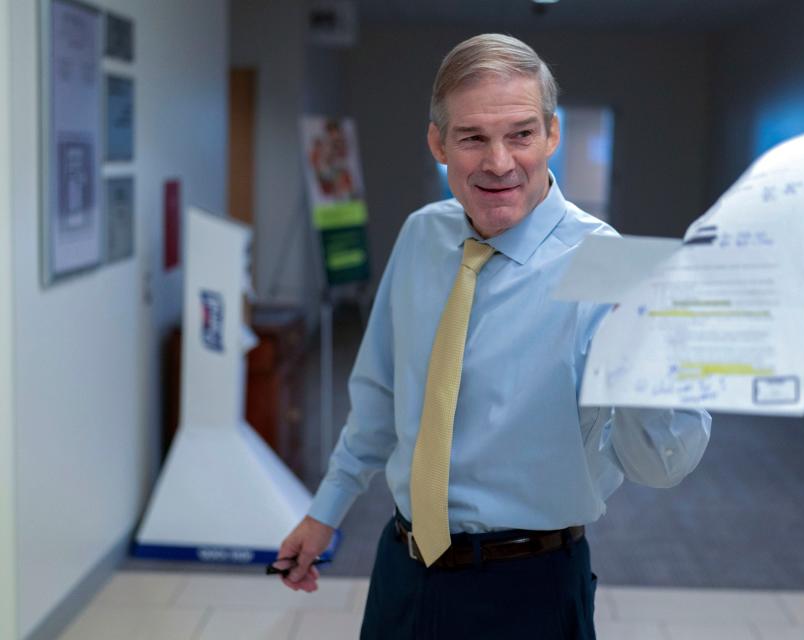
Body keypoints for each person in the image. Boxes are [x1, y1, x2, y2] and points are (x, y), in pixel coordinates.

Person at [276, 34, 711, 639]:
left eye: (521, 134)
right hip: (402, 572)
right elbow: (378, 395)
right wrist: (325, 511)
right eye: (473, 137)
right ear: (438, 143)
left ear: (552, 134)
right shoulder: (421, 238)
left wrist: (644, 361)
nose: (500, 162)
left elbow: (661, 466)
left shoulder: (614, 269)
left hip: (528, 589)